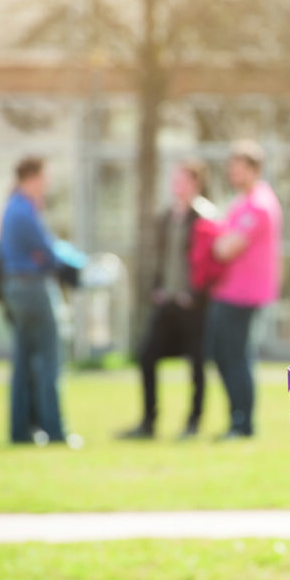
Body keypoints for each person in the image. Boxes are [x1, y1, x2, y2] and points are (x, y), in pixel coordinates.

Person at [118, 158, 217, 440]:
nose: (177, 186)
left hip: (193, 306)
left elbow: (210, 263)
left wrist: (195, 295)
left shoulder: (205, 217)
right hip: (167, 303)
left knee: (197, 365)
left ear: (195, 183)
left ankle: (193, 423)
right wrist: (157, 288)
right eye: (175, 181)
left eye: (182, 180)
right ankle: (148, 422)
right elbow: (160, 260)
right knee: (147, 356)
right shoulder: (166, 217)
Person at [0, 155, 79, 446]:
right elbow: (47, 251)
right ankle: (54, 430)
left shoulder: (13, 206)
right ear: (31, 177)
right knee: (49, 359)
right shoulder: (24, 210)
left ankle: (21, 431)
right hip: (33, 289)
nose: (47, 184)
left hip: (15, 289)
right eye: (45, 178)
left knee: (23, 362)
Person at [206, 140, 283, 439]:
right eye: (231, 169)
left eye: (239, 169)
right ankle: (236, 419)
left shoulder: (258, 205)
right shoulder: (241, 202)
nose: (233, 174)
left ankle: (243, 424)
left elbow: (225, 248)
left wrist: (214, 241)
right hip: (228, 291)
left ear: (254, 169)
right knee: (223, 354)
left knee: (236, 356)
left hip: (244, 294)